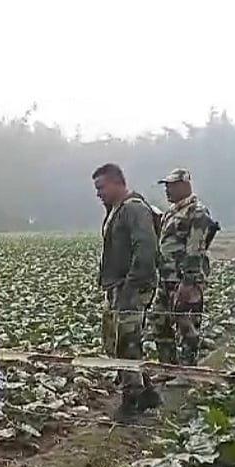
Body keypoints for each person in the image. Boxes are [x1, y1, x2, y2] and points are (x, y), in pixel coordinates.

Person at [92, 163, 161, 418]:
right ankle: (147, 392)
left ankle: (132, 401)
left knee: (126, 343)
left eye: (101, 187)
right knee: (116, 340)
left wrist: (131, 286)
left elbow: (145, 249)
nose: (98, 193)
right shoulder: (116, 210)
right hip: (118, 287)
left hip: (130, 288)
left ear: (117, 183)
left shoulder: (134, 209)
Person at [152, 168, 219, 367]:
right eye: (166, 186)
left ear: (185, 185)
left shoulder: (197, 212)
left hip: (185, 280)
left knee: (186, 324)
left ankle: (187, 372)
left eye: (171, 186)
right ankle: (168, 367)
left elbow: (195, 248)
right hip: (166, 278)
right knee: (159, 320)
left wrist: (189, 281)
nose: (167, 190)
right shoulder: (171, 212)